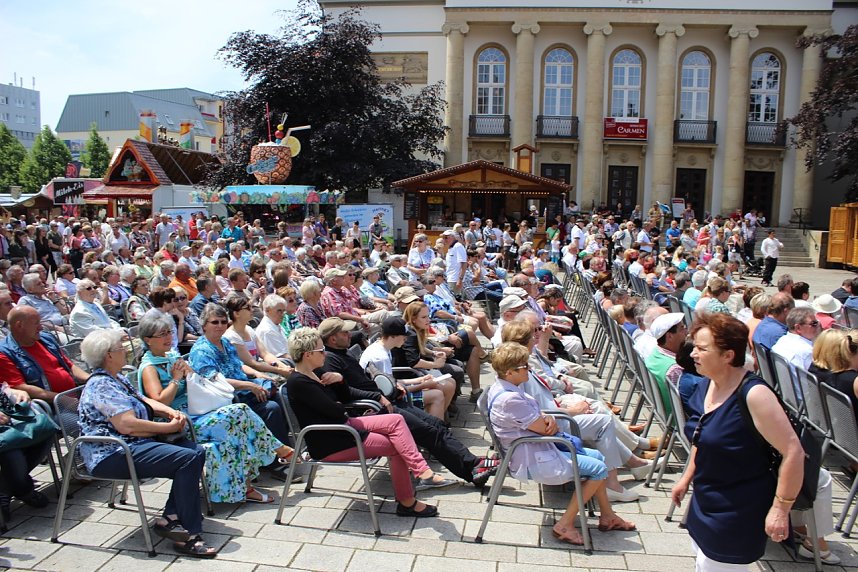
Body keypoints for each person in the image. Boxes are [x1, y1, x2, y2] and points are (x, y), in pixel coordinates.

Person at [672, 313, 804, 569]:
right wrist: (686, 477)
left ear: (728, 355)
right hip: (706, 498)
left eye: (701, 349)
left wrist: (780, 510)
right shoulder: (708, 384)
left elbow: (793, 452)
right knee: (702, 561)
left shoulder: (754, 394)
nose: (693, 354)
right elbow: (702, 436)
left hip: (738, 507)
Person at [76, 329, 218, 558]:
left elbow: (144, 400)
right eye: (121, 348)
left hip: (131, 444)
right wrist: (169, 427)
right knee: (187, 458)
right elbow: (127, 425)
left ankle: (171, 517)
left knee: (196, 450)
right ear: (108, 355)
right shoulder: (101, 384)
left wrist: (170, 412)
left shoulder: (116, 377)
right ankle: (190, 534)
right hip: (110, 454)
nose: (126, 351)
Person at [285, 327, 450, 517]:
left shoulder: (318, 372)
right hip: (332, 441)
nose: (325, 354)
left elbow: (344, 399)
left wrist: (339, 380)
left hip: (344, 428)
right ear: (307, 355)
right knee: (396, 445)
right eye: (321, 351)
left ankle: (421, 471)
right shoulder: (299, 383)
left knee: (396, 420)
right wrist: (338, 405)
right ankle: (407, 501)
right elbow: (337, 412)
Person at [487, 342, 635, 545]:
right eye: (524, 366)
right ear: (510, 372)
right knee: (599, 469)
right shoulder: (510, 399)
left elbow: (541, 421)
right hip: (532, 458)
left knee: (599, 458)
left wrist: (547, 419)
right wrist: (549, 421)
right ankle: (565, 523)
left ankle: (607, 515)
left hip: (536, 448)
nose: (528, 369)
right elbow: (544, 428)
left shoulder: (506, 387)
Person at [138, 312, 292, 504]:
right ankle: (277, 448)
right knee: (239, 411)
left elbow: (199, 381)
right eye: (162, 334)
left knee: (236, 430)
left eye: (169, 332)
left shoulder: (171, 357)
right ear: (148, 340)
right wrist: (176, 379)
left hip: (197, 411)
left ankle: (245, 487)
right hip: (179, 420)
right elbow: (160, 403)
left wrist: (188, 372)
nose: (168, 337)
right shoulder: (149, 367)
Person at [188, 304, 290, 447]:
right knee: (270, 408)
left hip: (243, 388)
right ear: (204, 325)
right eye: (215, 322)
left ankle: (284, 446)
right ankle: (274, 458)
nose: (220, 326)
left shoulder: (225, 342)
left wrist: (258, 374)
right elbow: (214, 381)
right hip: (226, 396)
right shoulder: (201, 350)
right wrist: (250, 385)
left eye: (223, 322)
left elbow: (239, 364)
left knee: (279, 395)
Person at [360, 317, 454, 420]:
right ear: (393, 336)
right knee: (437, 395)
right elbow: (391, 392)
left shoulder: (382, 348)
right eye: (404, 336)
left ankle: (432, 427)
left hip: (389, 392)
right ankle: (435, 430)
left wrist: (419, 380)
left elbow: (391, 382)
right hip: (386, 401)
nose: (406, 339)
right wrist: (423, 385)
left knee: (437, 388)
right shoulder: (380, 357)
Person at [0, 306, 89, 401]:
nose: (41, 327)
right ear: (19, 326)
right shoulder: (4, 353)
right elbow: (20, 387)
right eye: (36, 323)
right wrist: (65, 401)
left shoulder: (46, 339)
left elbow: (70, 365)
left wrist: (91, 378)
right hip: (53, 407)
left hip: (77, 395)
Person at [771, 307, 821, 372]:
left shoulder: (782, 340)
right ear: (798, 328)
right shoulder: (807, 352)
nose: (817, 326)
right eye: (814, 323)